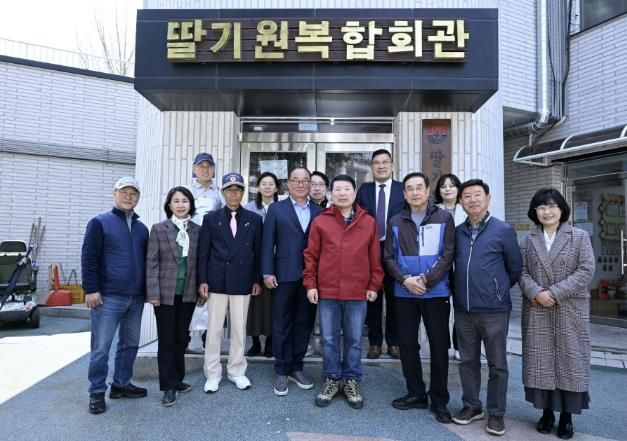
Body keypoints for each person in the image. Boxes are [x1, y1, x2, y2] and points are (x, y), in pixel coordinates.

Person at [519, 188, 594, 440]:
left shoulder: (579, 236)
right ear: (535, 212)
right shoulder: (528, 239)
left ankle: (566, 417)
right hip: (537, 307)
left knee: (569, 361)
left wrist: (554, 292)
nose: (546, 211)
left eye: (552, 206)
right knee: (542, 362)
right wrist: (536, 292)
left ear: (561, 209)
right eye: (541, 207)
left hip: (569, 308)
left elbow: (586, 270)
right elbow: (520, 271)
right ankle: (547, 413)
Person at [303, 175, 382, 409]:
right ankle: (331, 379)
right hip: (327, 291)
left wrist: (374, 285)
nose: (342, 193)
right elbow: (311, 255)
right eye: (337, 189)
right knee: (328, 340)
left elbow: (375, 257)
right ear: (331, 193)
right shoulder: (321, 221)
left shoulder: (368, 222)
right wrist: (311, 284)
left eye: (347, 188)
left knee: (354, 340)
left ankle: (351, 380)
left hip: (357, 292)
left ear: (354, 193)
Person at [451, 179, 522, 436]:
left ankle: (496, 412)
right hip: (464, 310)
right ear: (461, 202)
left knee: (497, 363)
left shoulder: (503, 230)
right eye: (467, 196)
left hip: (494, 310)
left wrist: (496, 290)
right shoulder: (457, 232)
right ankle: (472, 406)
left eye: (477, 195)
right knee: (467, 361)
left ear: (488, 197)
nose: (472, 200)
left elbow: (514, 268)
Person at [385, 173, 455, 424]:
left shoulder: (443, 218)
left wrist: (426, 280)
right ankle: (415, 393)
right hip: (404, 292)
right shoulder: (395, 221)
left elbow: (448, 254)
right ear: (404, 194)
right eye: (410, 189)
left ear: (427, 191)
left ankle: (439, 399)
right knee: (407, 345)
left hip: (435, 291)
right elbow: (388, 256)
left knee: (439, 345)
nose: (415, 192)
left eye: (419, 188)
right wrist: (405, 280)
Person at [81, 177, 149, 415]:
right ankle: (97, 391)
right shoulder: (99, 222)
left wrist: (147, 291)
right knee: (101, 347)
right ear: (114, 194)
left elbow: (146, 262)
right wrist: (91, 289)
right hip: (108, 297)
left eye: (133, 193)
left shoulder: (142, 229)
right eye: (124, 192)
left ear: (138, 197)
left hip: (135, 297)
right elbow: (89, 258)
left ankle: (121, 384)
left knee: (130, 344)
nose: (129, 196)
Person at [197, 173, 263, 393]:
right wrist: (203, 280)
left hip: (243, 280)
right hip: (217, 280)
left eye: (237, 190)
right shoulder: (211, 219)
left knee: (238, 329)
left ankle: (237, 371)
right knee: (214, 330)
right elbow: (203, 253)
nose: (233, 194)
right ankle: (212, 373)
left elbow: (258, 252)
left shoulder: (254, 220)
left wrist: (256, 279)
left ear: (243, 193)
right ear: (223, 193)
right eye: (229, 190)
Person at [261, 167, 323, 396]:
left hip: (311, 277)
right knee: (281, 323)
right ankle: (282, 368)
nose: (300, 184)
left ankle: (297, 367)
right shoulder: (277, 209)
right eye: (295, 180)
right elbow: (268, 242)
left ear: (310, 184)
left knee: (304, 323)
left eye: (305, 180)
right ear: (288, 184)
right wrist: (267, 272)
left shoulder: (319, 211)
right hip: (283, 274)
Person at [146, 186, 201, 407]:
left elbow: (200, 263)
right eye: (176, 201)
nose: (180, 205)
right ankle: (168, 386)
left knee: (181, 338)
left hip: (187, 293)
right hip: (164, 294)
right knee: (167, 340)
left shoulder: (197, 230)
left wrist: (200, 288)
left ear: (191, 205)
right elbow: (151, 264)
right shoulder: (159, 229)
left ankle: (177, 379)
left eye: (185, 201)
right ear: (169, 205)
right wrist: (153, 293)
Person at [356, 149, 405, 359]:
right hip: (370, 250)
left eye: (385, 162)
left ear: (392, 166)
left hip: (396, 251)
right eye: (377, 162)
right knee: (372, 297)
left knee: (395, 298)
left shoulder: (403, 189)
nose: (381, 166)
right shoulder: (364, 190)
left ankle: (394, 342)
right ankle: (375, 343)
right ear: (372, 167)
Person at [187, 152, 224, 352]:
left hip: (212, 247)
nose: (205, 169)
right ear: (194, 169)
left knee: (208, 289)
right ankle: (185, 336)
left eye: (208, 166)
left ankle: (205, 337)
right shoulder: (186, 191)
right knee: (188, 288)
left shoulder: (220, 193)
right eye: (201, 166)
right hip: (189, 245)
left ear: (214, 169)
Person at [244, 171, 280, 357]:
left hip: (276, 261)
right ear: (258, 187)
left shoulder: (282, 207)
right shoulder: (248, 208)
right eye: (263, 183)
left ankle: (272, 341)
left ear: (276, 188)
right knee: (254, 304)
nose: (267, 187)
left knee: (274, 303)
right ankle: (255, 342)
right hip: (253, 260)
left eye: (271, 183)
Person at [434, 173, 465, 361]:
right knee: (440, 310)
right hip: (440, 267)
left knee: (460, 308)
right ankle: (443, 346)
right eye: (443, 186)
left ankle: (459, 345)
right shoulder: (432, 211)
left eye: (451, 186)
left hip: (461, 266)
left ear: (458, 189)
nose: (447, 189)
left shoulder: (466, 210)